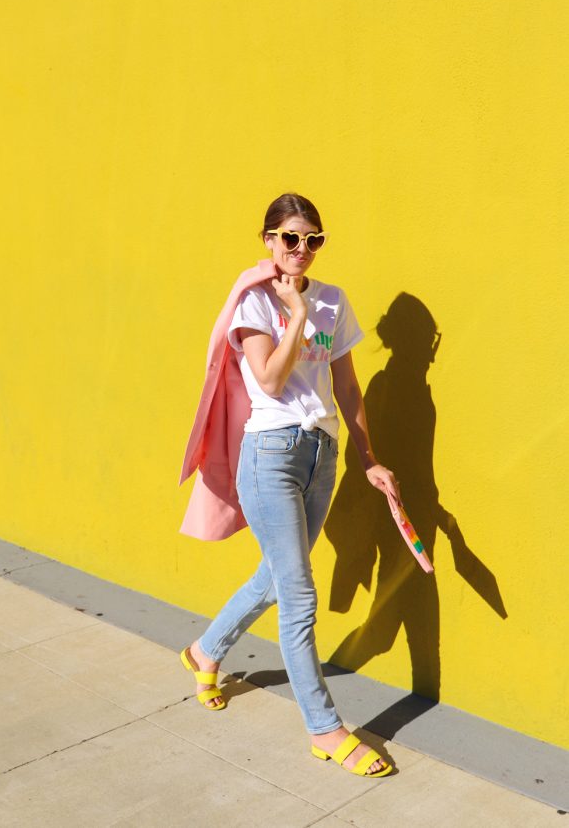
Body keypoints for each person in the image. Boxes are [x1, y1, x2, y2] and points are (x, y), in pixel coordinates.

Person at [180, 192, 401, 778]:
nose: (300, 250)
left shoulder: (334, 300)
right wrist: (295, 315)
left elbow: (348, 389)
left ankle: (203, 652)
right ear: (268, 240)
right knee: (299, 596)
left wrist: (368, 458)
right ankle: (325, 729)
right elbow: (272, 383)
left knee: (275, 579)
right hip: (271, 455)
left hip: (321, 456)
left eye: (312, 240)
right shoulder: (254, 303)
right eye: (289, 238)